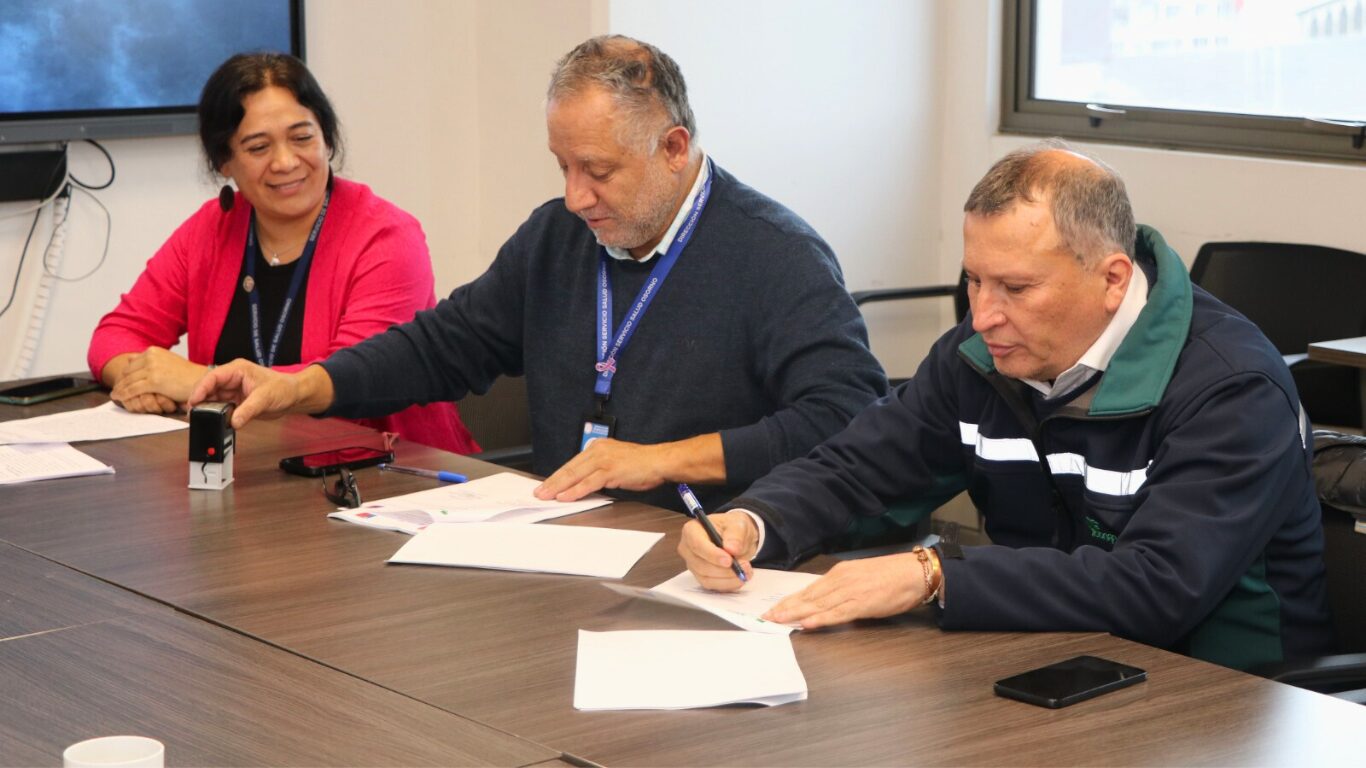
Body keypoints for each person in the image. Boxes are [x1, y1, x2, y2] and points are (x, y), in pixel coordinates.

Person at [679, 140, 1334, 670]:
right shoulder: (981, 354)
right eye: (974, 279)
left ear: (1112, 279)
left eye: (1016, 288)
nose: (983, 315)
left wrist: (936, 575)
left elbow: (1156, 587)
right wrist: (752, 522)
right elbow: (858, 468)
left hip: (1222, 698)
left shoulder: (1233, 387)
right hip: (1046, 658)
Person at [188, 36, 886, 513]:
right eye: (563, 166)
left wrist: (661, 459)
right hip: (569, 543)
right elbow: (443, 345)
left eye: (598, 170)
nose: (576, 196)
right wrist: (302, 385)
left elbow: (848, 417)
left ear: (674, 148)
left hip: (710, 556)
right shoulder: (559, 237)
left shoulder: (776, 255)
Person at [88, 53, 476, 454]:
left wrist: (198, 381)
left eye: (302, 138)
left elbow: (356, 379)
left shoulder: (387, 237)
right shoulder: (211, 230)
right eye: (258, 147)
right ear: (224, 161)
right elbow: (115, 335)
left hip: (389, 472)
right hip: (252, 469)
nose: (286, 162)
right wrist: (144, 382)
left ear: (327, 139)